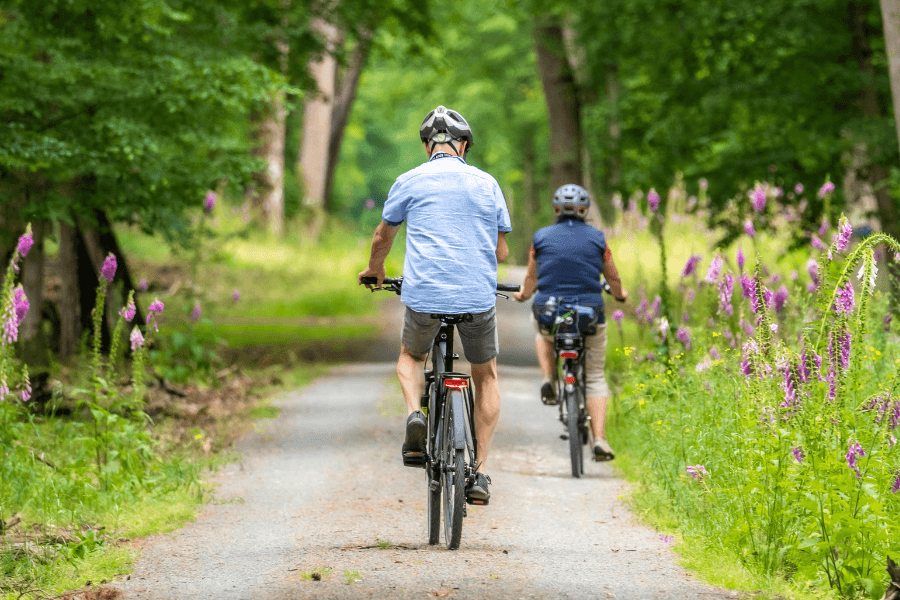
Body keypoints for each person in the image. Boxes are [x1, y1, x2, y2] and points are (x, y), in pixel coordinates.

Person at [358, 105, 512, 504]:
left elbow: (382, 237)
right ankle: (478, 471)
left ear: (428, 146)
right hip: (477, 296)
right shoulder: (487, 183)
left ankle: (415, 415)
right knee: (487, 375)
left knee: (410, 357)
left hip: (424, 294)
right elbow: (502, 249)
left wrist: (376, 271)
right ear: (463, 145)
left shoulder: (409, 180)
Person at [513, 184, 627, 461]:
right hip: (589, 314)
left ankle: (549, 377)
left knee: (541, 331)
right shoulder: (598, 238)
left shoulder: (540, 237)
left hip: (550, 312)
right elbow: (612, 276)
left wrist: (523, 295)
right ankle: (599, 440)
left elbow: (531, 278)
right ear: (584, 209)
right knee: (596, 376)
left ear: (555, 209)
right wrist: (621, 294)